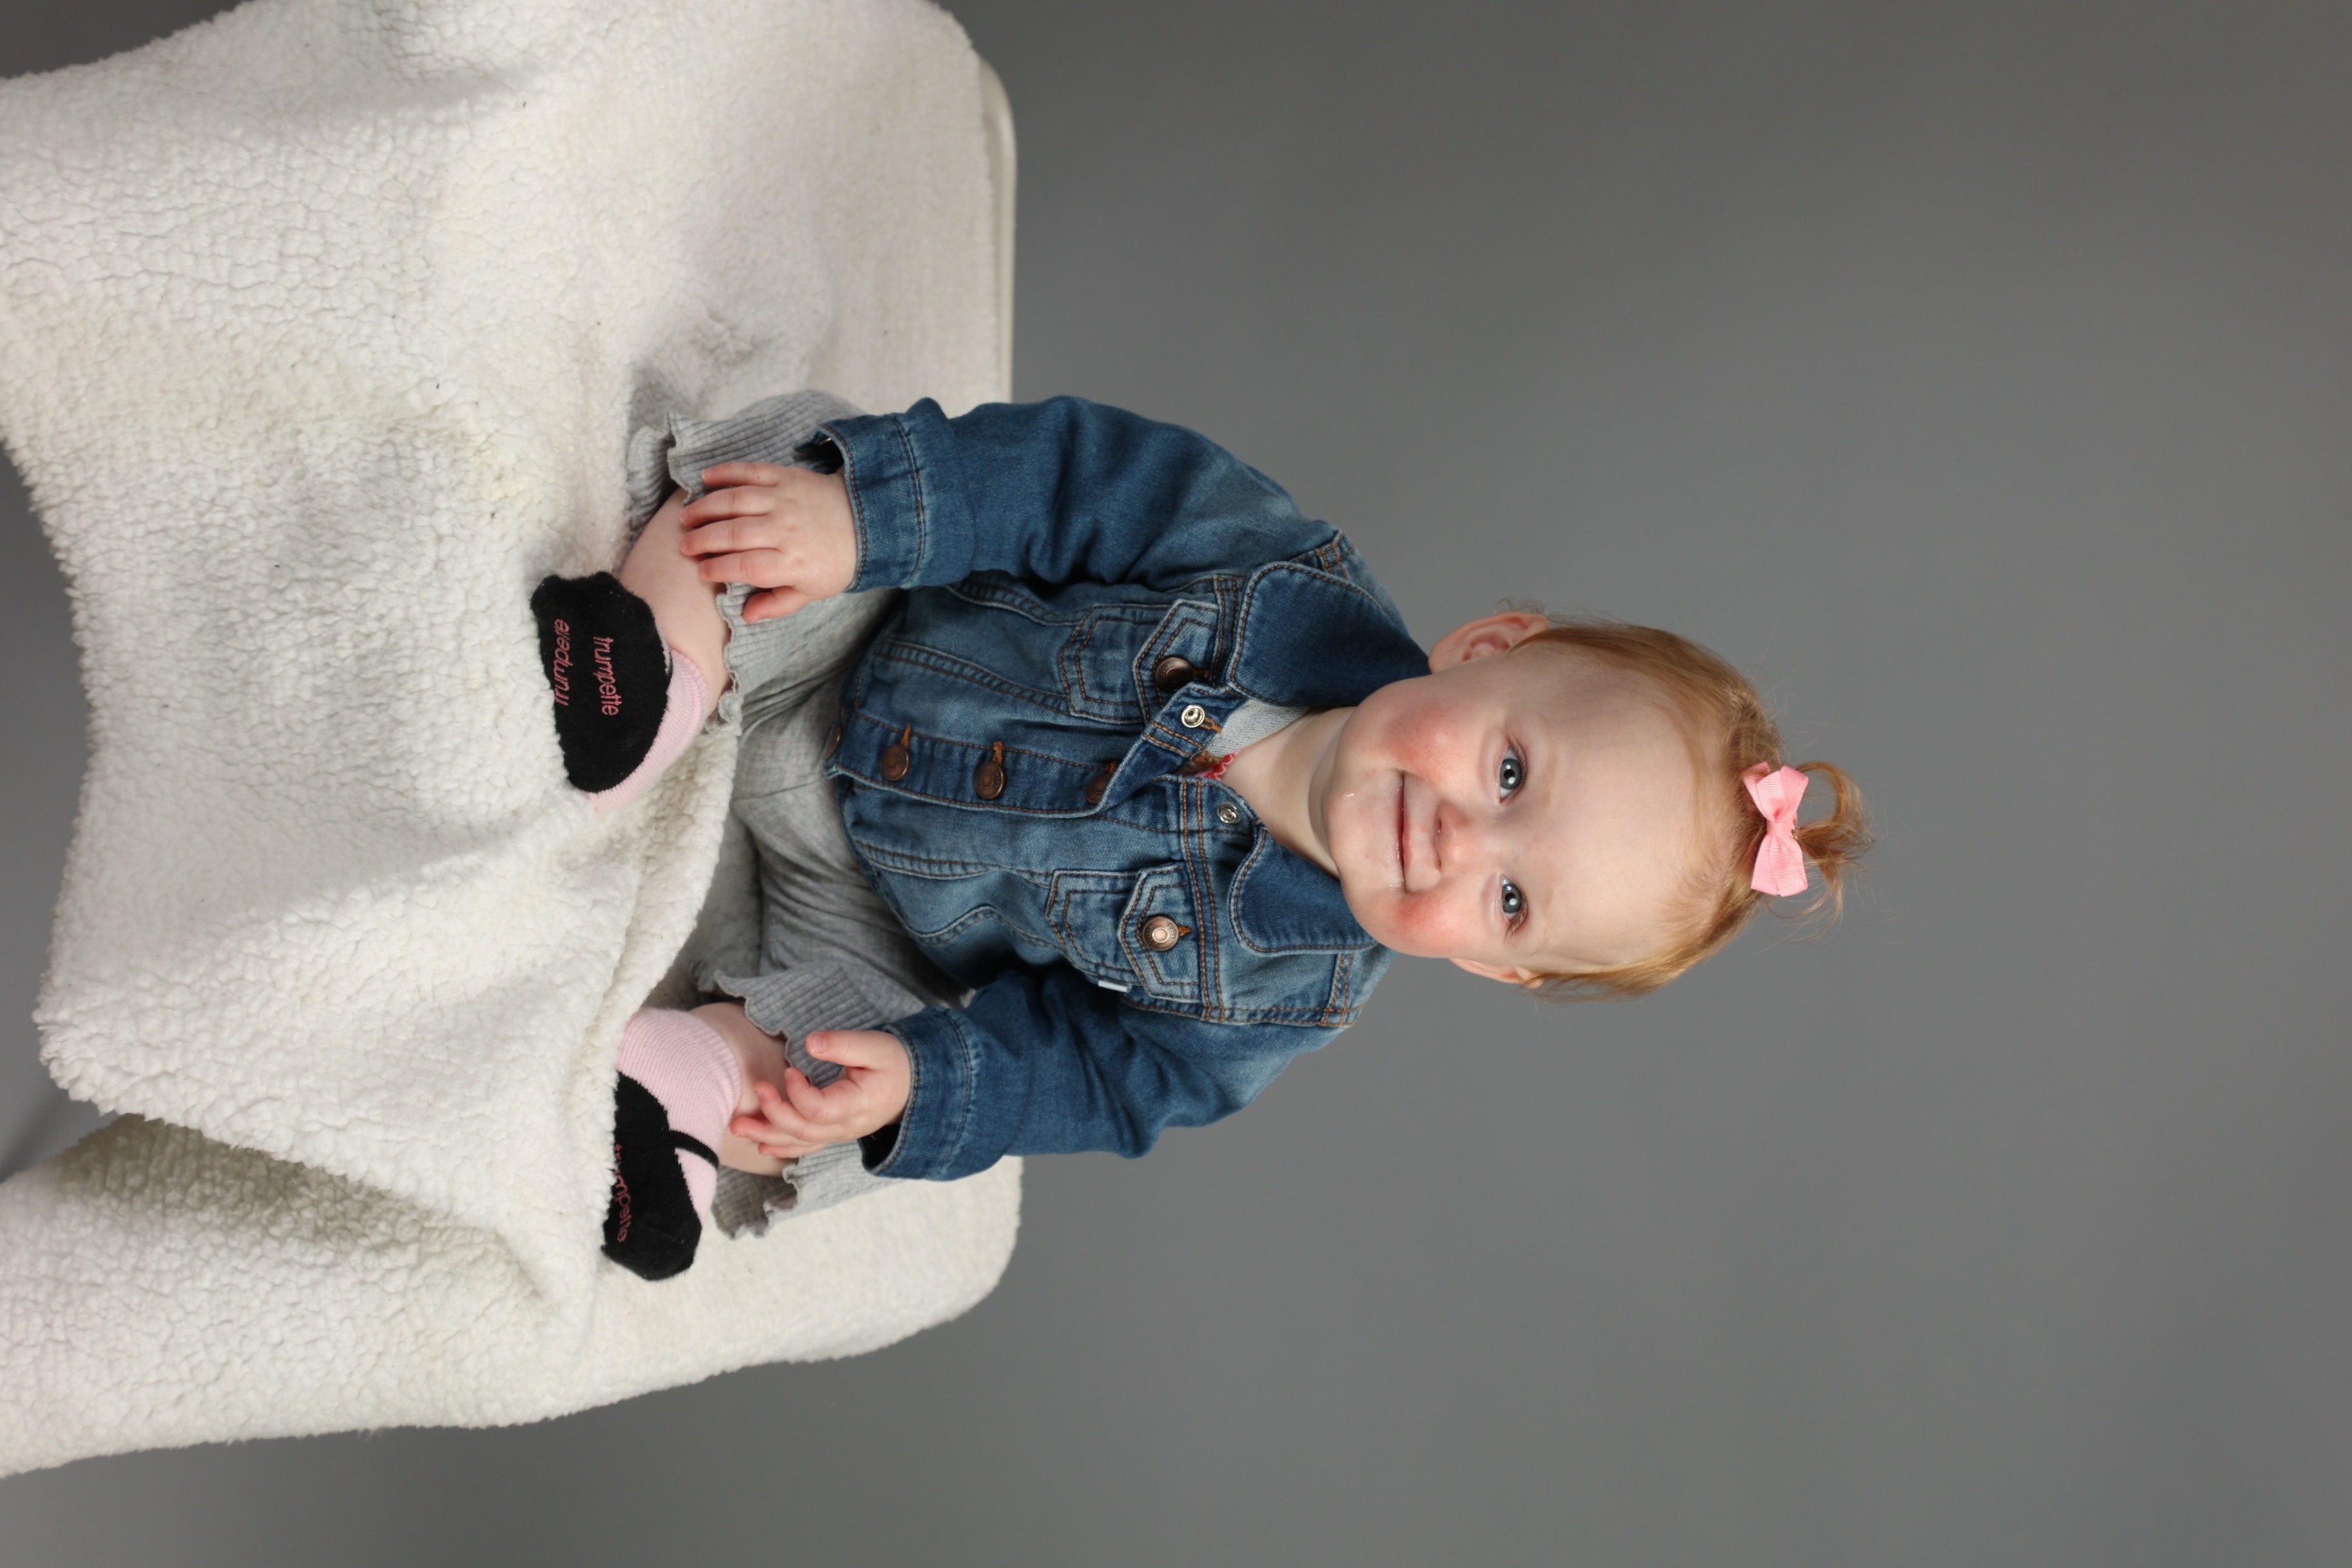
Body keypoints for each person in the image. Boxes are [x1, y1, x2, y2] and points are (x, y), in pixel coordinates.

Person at [530, 391, 1868, 1280]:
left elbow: (1099, 1075)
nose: (1459, 838)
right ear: (1489, 649)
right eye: (1508, 770)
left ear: (1491, 964)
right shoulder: (1272, 575)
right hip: (853, 645)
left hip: (870, 916)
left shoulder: (1277, 999)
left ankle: (684, 1091)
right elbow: (1071, 481)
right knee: (811, 468)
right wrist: (866, 524)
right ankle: (654, 668)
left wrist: (920, 1085)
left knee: (867, 1095)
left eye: (1511, 899)